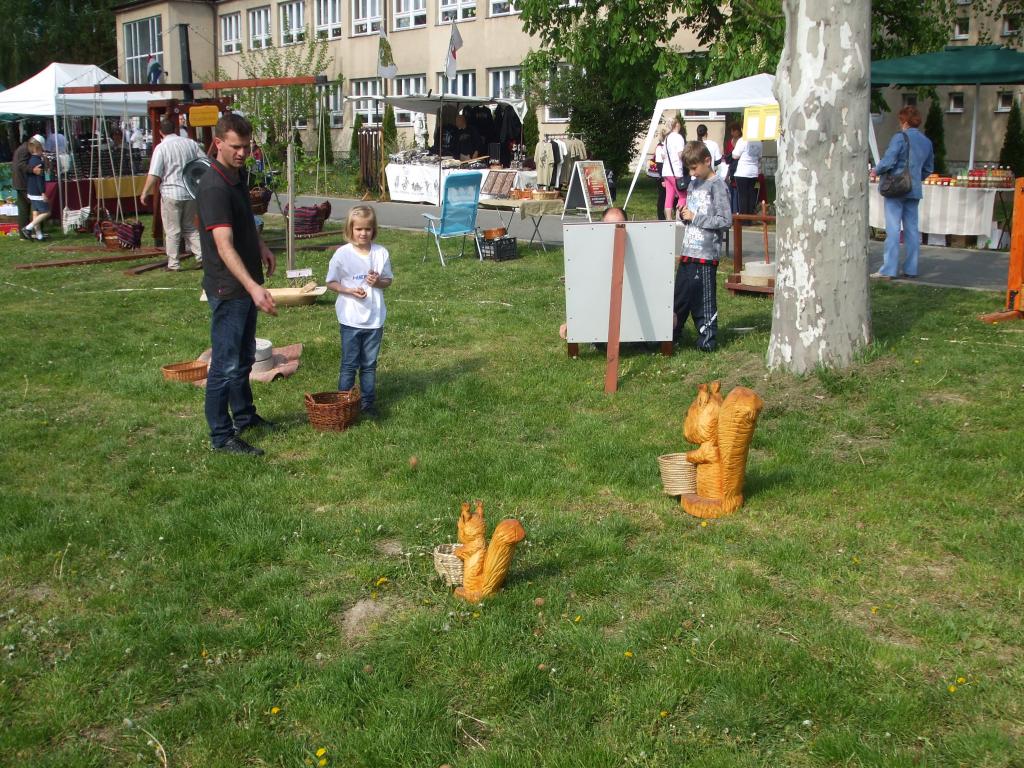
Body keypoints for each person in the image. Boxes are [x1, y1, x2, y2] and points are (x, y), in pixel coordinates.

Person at [196, 113, 278, 456]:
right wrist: (252, 287)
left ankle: (244, 416)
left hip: (245, 284)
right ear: (218, 143)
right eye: (236, 147)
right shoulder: (213, 186)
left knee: (244, 356)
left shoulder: (237, 175)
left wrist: (261, 246)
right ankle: (221, 436)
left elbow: (245, 222)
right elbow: (224, 245)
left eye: (247, 146)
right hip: (228, 288)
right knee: (225, 365)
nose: (243, 153)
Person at [326, 205, 394, 419]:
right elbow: (331, 282)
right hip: (350, 319)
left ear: (374, 229)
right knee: (349, 365)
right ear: (350, 229)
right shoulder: (342, 254)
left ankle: (367, 404)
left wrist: (377, 282)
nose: (363, 233)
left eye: (367, 229)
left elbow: (388, 281)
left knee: (369, 365)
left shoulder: (381, 253)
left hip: (374, 319)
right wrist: (349, 290)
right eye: (359, 229)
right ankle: (344, 404)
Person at [674, 141, 732, 352]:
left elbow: (725, 220)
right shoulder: (693, 184)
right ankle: (672, 334)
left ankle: (707, 339)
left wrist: (695, 217)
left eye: (694, 168)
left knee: (703, 299)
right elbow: (691, 215)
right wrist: (684, 215)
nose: (692, 173)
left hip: (706, 255)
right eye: (689, 169)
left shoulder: (718, 186)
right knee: (680, 296)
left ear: (707, 161)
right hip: (688, 251)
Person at [872, 105, 935, 280]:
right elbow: (928, 168)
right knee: (912, 230)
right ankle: (911, 268)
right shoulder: (926, 142)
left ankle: (889, 269)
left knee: (893, 229)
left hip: (896, 188)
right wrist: (915, 178)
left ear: (904, 121)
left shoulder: (900, 137)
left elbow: (888, 161)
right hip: (914, 189)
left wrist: (876, 170)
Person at [140, 115, 206, 271]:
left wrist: (145, 192)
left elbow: (154, 173)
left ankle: (173, 263)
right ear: (175, 129)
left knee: (172, 230)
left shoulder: (161, 148)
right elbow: (204, 162)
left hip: (171, 192)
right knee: (190, 227)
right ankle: (203, 257)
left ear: (161, 132)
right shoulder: (190, 143)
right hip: (189, 191)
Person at [729, 123, 762, 216]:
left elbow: (735, 155)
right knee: (751, 195)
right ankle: (750, 217)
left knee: (742, 196)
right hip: (754, 171)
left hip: (742, 172)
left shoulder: (742, 140)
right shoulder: (759, 142)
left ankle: (744, 218)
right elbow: (760, 157)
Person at [22, 137, 50, 241]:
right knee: (46, 212)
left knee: (35, 212)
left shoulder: (30, 160)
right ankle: (28, 228)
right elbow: (39, 179)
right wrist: (43, 192)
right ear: (38, 148)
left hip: (31, 190)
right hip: (37, 191)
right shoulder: (39, 162)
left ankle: (39, 235)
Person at [662, 117, 687, 220]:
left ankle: (668, 220)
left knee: (669, 196)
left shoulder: (667, 138)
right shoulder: (678, 137)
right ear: (677, 125)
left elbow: (663, 155)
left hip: (666, 171)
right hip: (676, 171)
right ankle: (678, 218)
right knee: (683, 196)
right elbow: (680, 154)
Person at [10, 134, 35, 236]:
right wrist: (33, 170)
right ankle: (34, 230)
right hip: (23, 182)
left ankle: (23, 234)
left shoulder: (21, 148)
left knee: (23, 208)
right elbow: (22, 165)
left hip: (19, 182)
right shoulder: (25, 149)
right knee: (34, 206)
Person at [650, 128, 667, 220]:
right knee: (662, 196)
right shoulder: (660, 147)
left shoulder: (665, 146)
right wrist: (663, 179)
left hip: (666, 175)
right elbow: (660, 165)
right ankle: (661, 217)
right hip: (661, 176)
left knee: (666, 196)